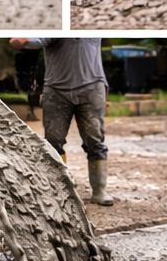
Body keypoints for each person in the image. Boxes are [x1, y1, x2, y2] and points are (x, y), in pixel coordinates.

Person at [9, 37, 115, 206]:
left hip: (92, 89)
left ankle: (99, 190)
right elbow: (36, 41)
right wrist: (22, 40)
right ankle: (58, 190)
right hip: (57, 91)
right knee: (53, 142)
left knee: (94, 140)